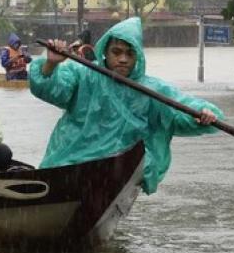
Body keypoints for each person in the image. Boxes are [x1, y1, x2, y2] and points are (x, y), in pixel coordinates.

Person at [29, 17, 223, 194]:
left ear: (138, 56)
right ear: (104, 51)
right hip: (69, 162)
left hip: (116, 171)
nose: (123, 59)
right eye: (117, 52)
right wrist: (51, 64)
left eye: (130, 54)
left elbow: (182, 110)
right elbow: (50, 89)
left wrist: (203, 115)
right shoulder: (81, 73)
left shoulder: (152, 89)